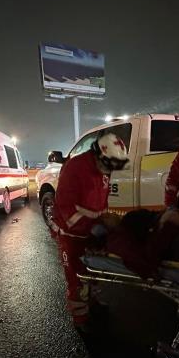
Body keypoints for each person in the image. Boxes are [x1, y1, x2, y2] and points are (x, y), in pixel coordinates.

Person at [52, 132, 129, 332]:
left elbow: (102, 201)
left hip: (90, 232)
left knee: (94, 272)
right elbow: (65, 206)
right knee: (77, 279)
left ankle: (93, 302)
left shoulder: (104, 166)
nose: (110, 171)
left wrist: (104, 221)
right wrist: (90, 227)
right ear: (98, 154)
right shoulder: (74, 168)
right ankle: (81, 318)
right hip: (71, 235)